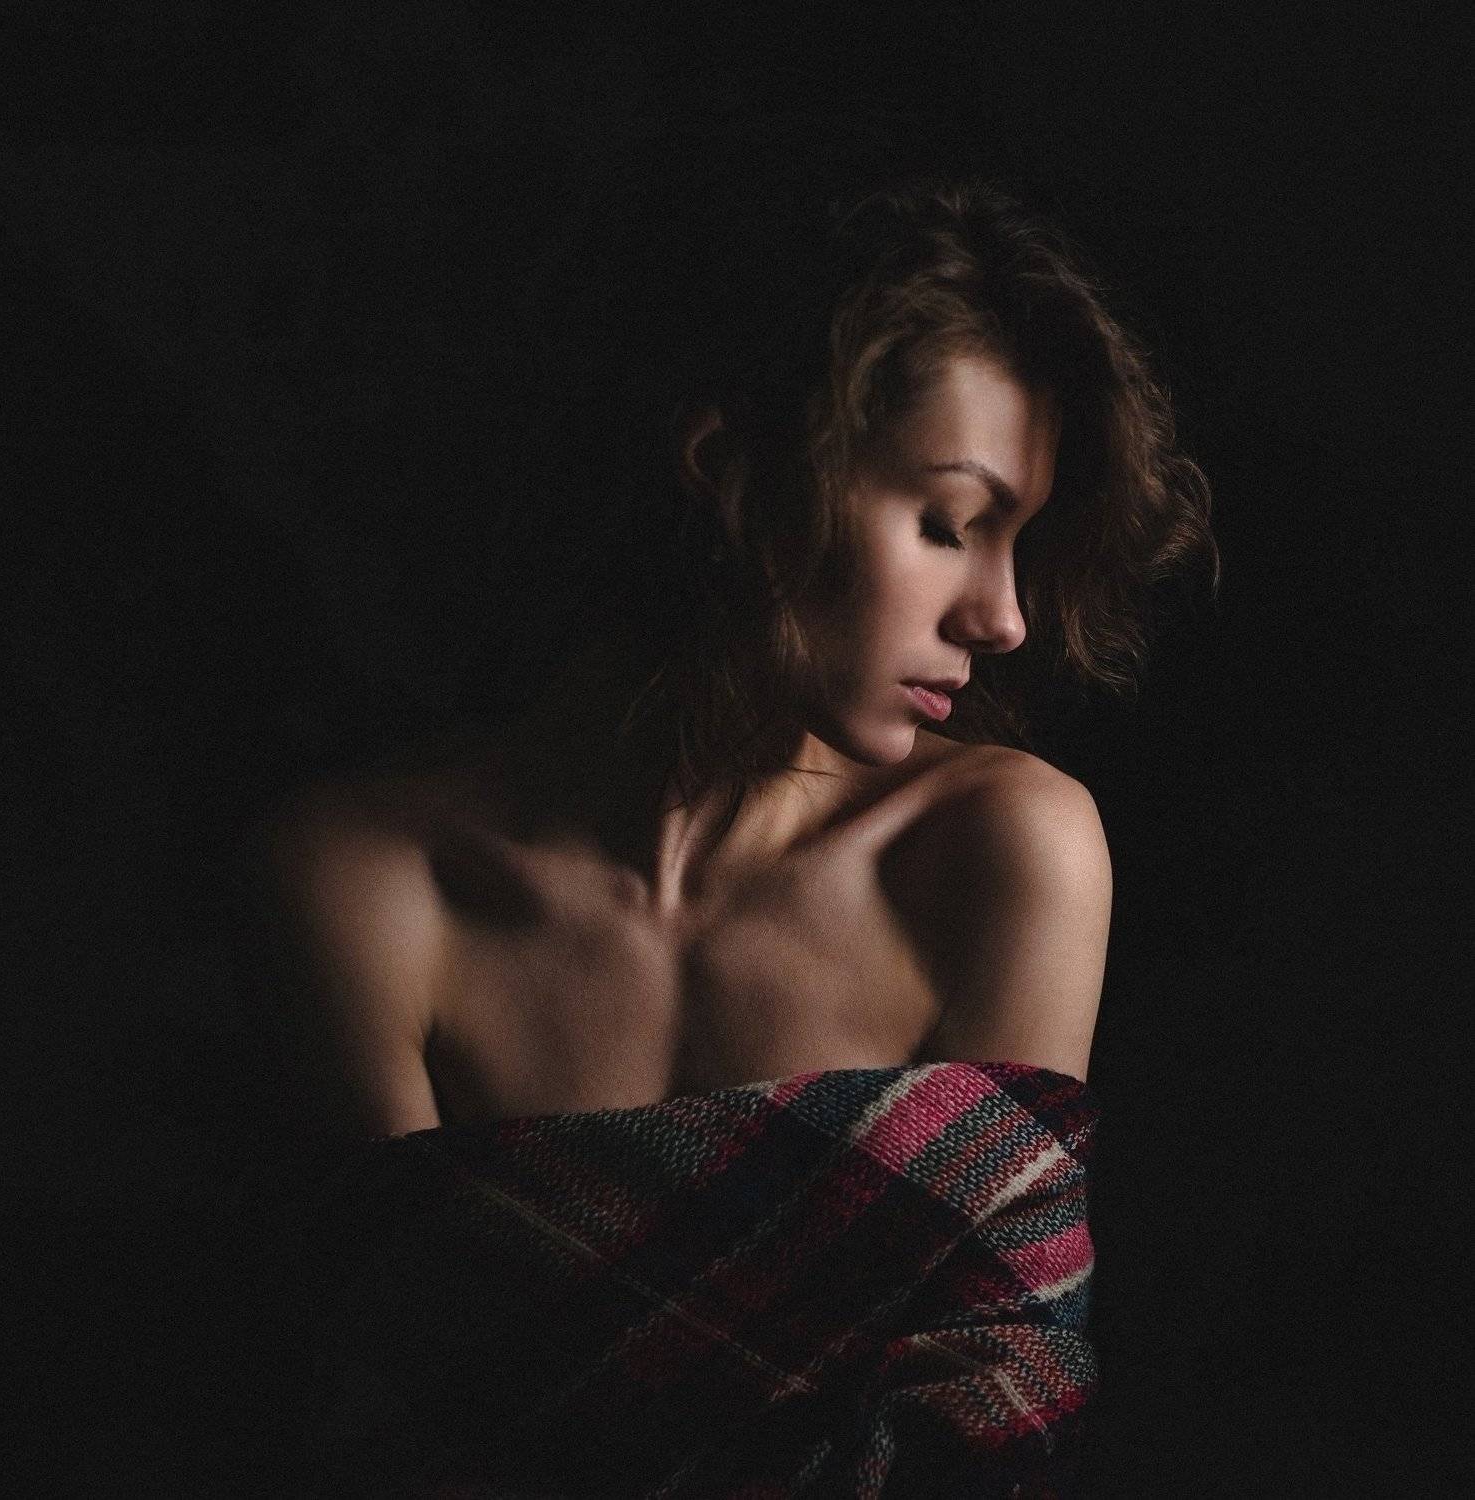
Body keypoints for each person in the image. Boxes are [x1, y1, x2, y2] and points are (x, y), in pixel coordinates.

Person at [227, 166, 1216, 1496]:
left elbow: (989, 1424)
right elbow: (412, 1427)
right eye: (947, 525)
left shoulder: (1000, 852)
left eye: (1018, 546)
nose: (1003, 618)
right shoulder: (363, 885)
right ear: (732, 474)